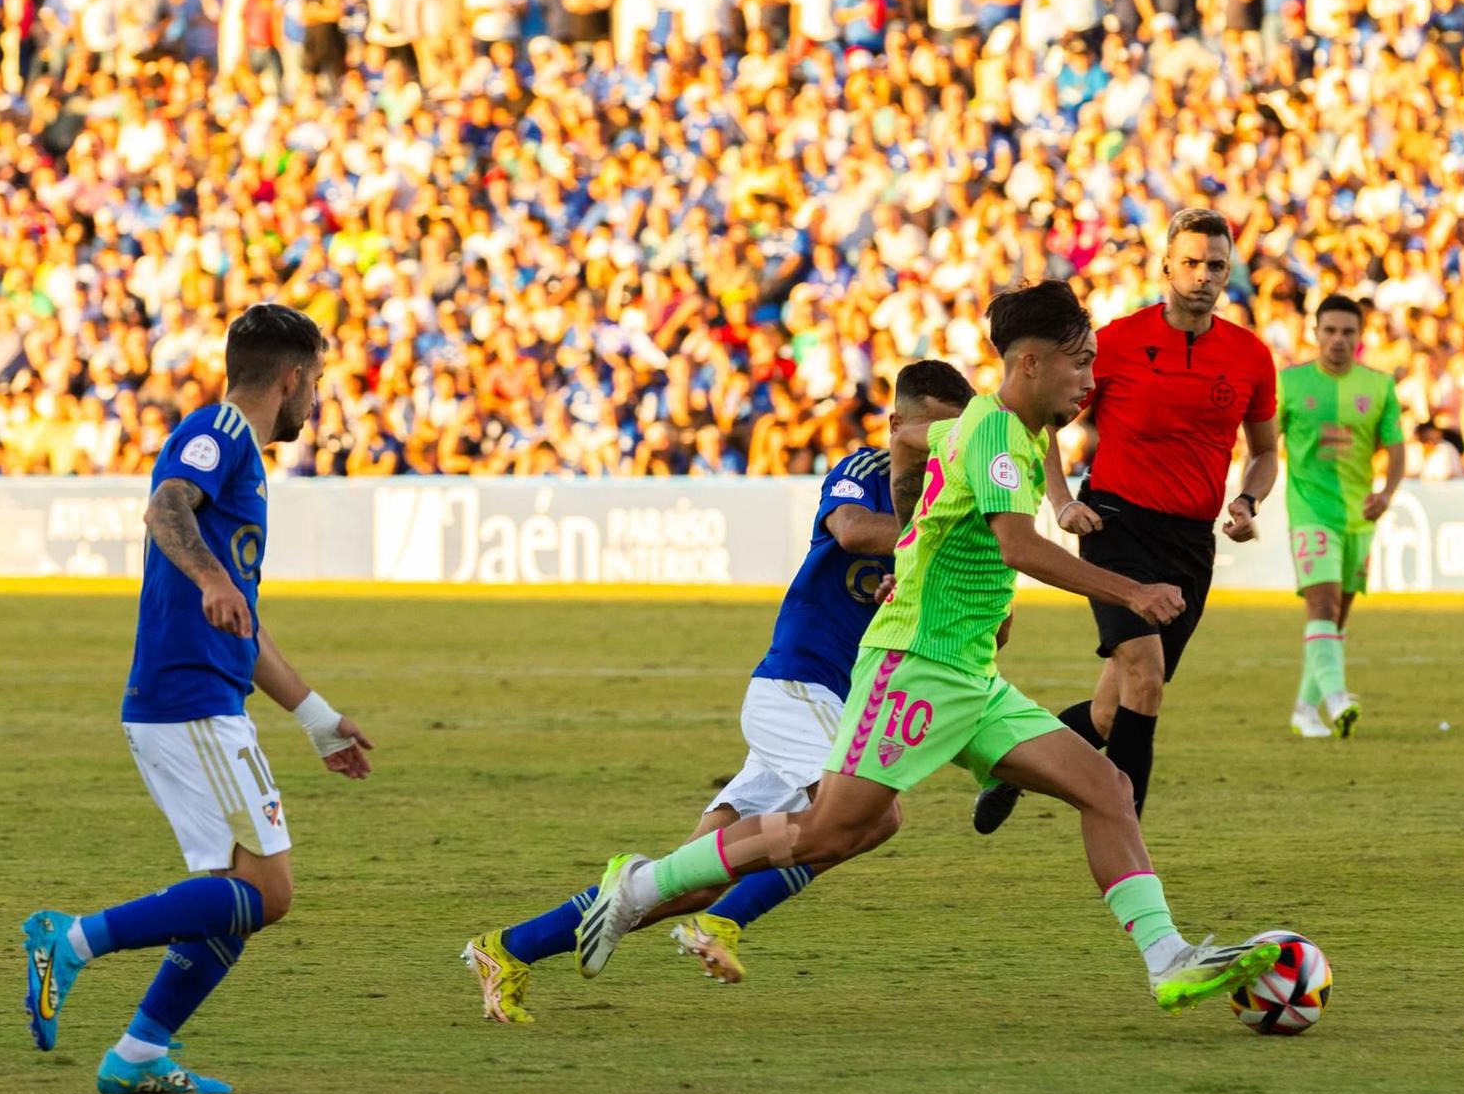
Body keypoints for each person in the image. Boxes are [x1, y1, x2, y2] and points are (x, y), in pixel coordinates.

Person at [570, 281, 1280, 1015]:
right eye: (1081, 365)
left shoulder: (986, 425)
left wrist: (913, 522)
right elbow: (1019, 544)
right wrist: (1131, 592)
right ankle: (639, 887)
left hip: (971, 674)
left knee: (1107, 789)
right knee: (829, 829)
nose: (1090, 382)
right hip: (914, 664)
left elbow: (910, 437)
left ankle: (1167, 959)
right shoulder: (999, 433)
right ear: (1030, 363)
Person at [461, 362, 975, 1020]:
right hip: (797, 685)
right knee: (869, 816)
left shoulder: (951, 500)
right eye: (932, 429)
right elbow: (849, 530)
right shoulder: (867, 472)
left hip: (843, 702)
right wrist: (929, 542)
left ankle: (508, 948)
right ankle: (723, 927)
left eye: (955, 432)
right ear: (899, 424)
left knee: (686, 878)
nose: (942, 444)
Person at [20, 304, 377, 1094]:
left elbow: (245, 627)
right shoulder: (214, 432)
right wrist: (212, 576)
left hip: (200, 695)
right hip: (189, 702)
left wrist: (317, 719)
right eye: (312, 384)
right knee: (266, 890)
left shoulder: (244, 459)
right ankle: (70, 939)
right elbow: (165, 505)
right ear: (288, 379)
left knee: (231, 896)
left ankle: (139, 1054)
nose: (312, 402)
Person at [976, 209, 1278, 832]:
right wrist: (1062, 503)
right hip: (1115, 525)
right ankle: (1124, 825)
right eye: (1191, 262)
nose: (1202, 276)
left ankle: (1013, 766)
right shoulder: (1113, 342)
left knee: (1115, 712)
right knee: (1146, 674)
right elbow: (1045, 424)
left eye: (1215, 265)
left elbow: (1267, 450)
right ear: (1166, 264)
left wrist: (1247, 500)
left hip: (1191, 542)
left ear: (1229, 270)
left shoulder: (1249, 356)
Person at [1278, 296, 1405, 739]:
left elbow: (1396, 447)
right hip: (1311, 511)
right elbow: (1260, 445)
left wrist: (1386, 493)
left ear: (1360, 336)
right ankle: (1337, 698)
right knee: (1323, 605)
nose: (1338, 340)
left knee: (1335, 620)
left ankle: (1304, 709)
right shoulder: (1289, 384)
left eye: (1347, 332)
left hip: (1358, 518)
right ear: (1316, 333)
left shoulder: (1379, 386)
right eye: (1330, 331)